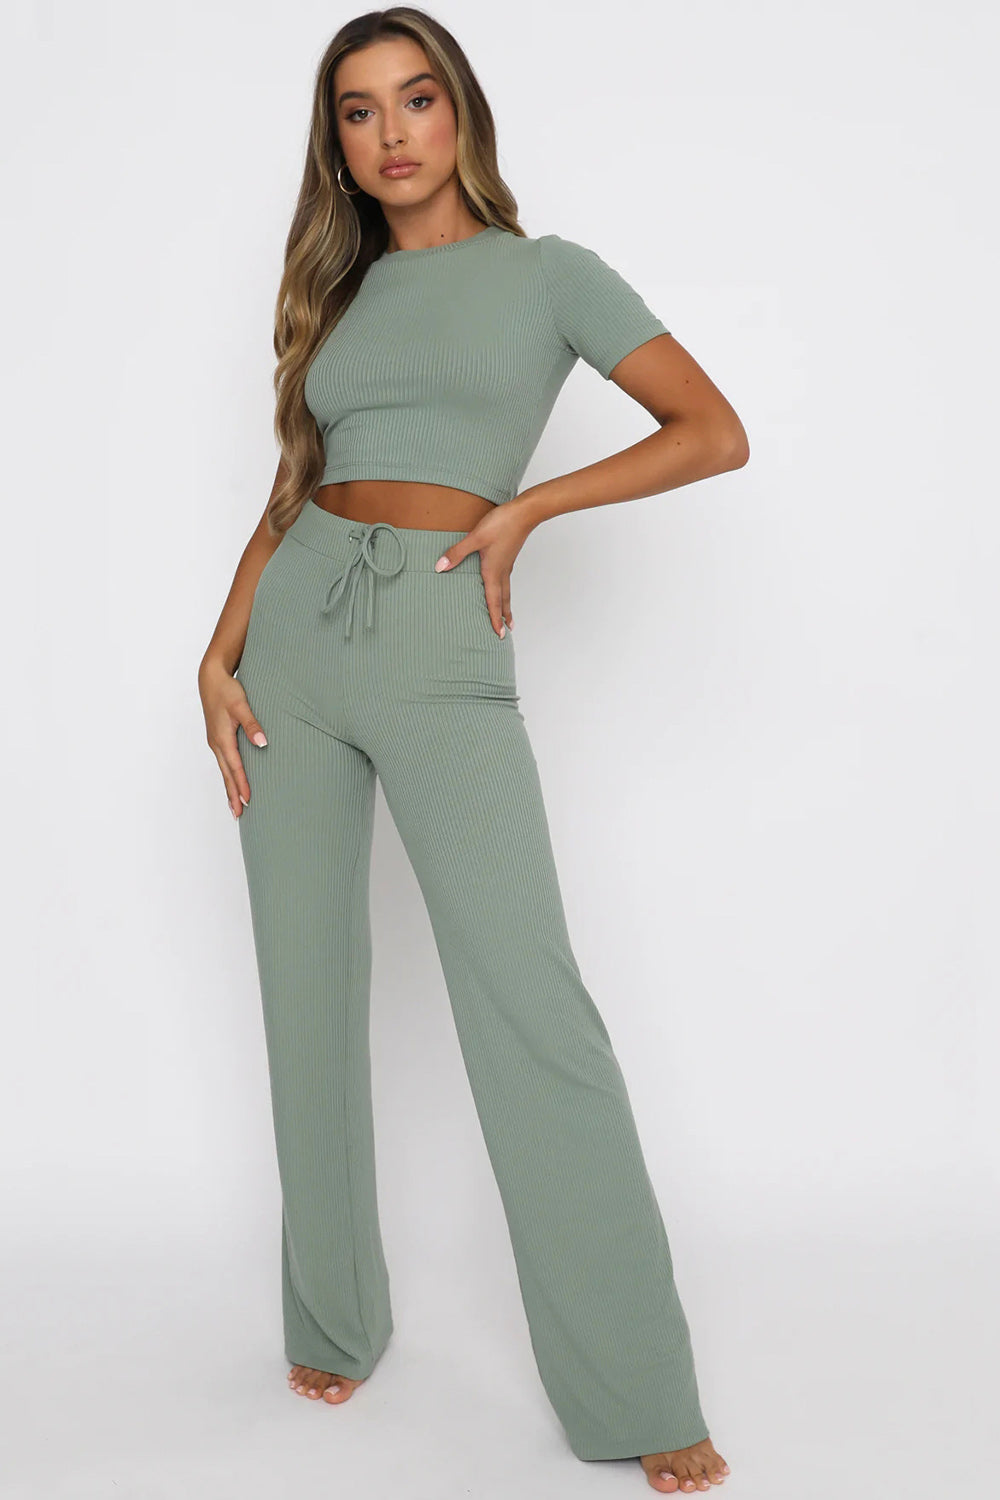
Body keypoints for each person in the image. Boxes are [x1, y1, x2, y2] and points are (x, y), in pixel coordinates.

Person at [198, 8, 747, 1494]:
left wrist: (529, 510)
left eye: (416, 98)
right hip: (294, 650)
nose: (391, 133)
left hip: (444, 645)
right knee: (304, 989)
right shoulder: (342, 294)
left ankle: (636, 1386)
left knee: (528, 1005)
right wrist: (219, 649)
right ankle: (334, 1318)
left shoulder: (550, 274)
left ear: (461, 114)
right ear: (338, 144)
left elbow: (710, 430)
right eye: (359, 111)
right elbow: (294, 487)